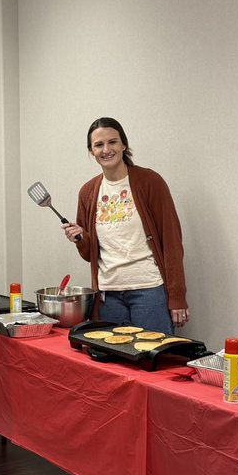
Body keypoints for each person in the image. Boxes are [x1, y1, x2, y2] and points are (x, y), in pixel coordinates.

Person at [62, 117, 189, 335]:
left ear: (124, 145)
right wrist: (81, 238)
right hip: (108, 295)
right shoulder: (88, 192)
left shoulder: (150, 182)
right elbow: (89, 254)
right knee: (115, 364)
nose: (106, 149)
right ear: (92, 151)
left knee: (151, 362)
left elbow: (172, 241)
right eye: (99, 145)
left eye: (112, 142)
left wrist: (177, 296)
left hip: (148, 290)